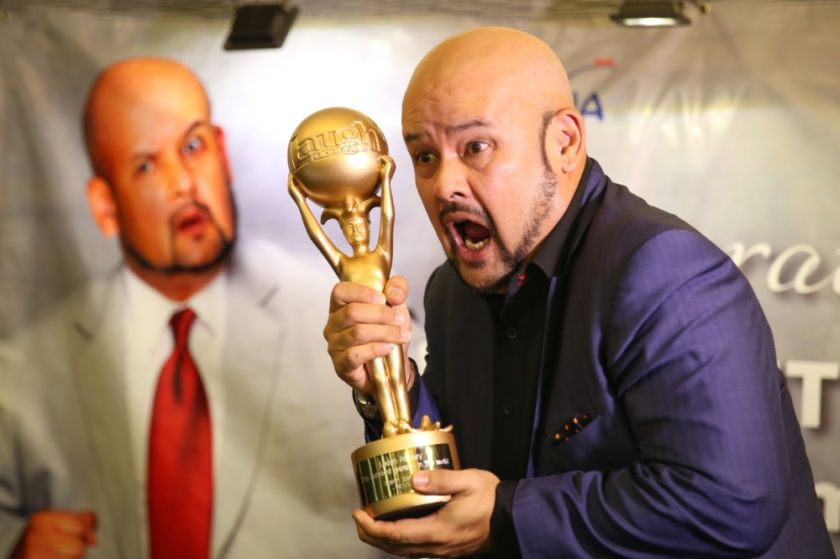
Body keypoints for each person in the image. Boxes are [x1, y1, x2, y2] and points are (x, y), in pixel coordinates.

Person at [322, 27, 834, 558]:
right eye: (424, 156)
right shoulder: (451, 291)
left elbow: (729, 504)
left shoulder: (665, 271)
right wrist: (388, 381)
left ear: (563, 143)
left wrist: (505, 516)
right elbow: (453, 468)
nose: (443, 184)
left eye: (476, 147)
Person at [0, 57, 379, 558]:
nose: (184, 183)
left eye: (193, 146)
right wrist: (15, 546)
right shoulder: (24, 370)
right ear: (105, 206)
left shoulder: (351, 320)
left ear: (221, 154)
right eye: (145, 164)